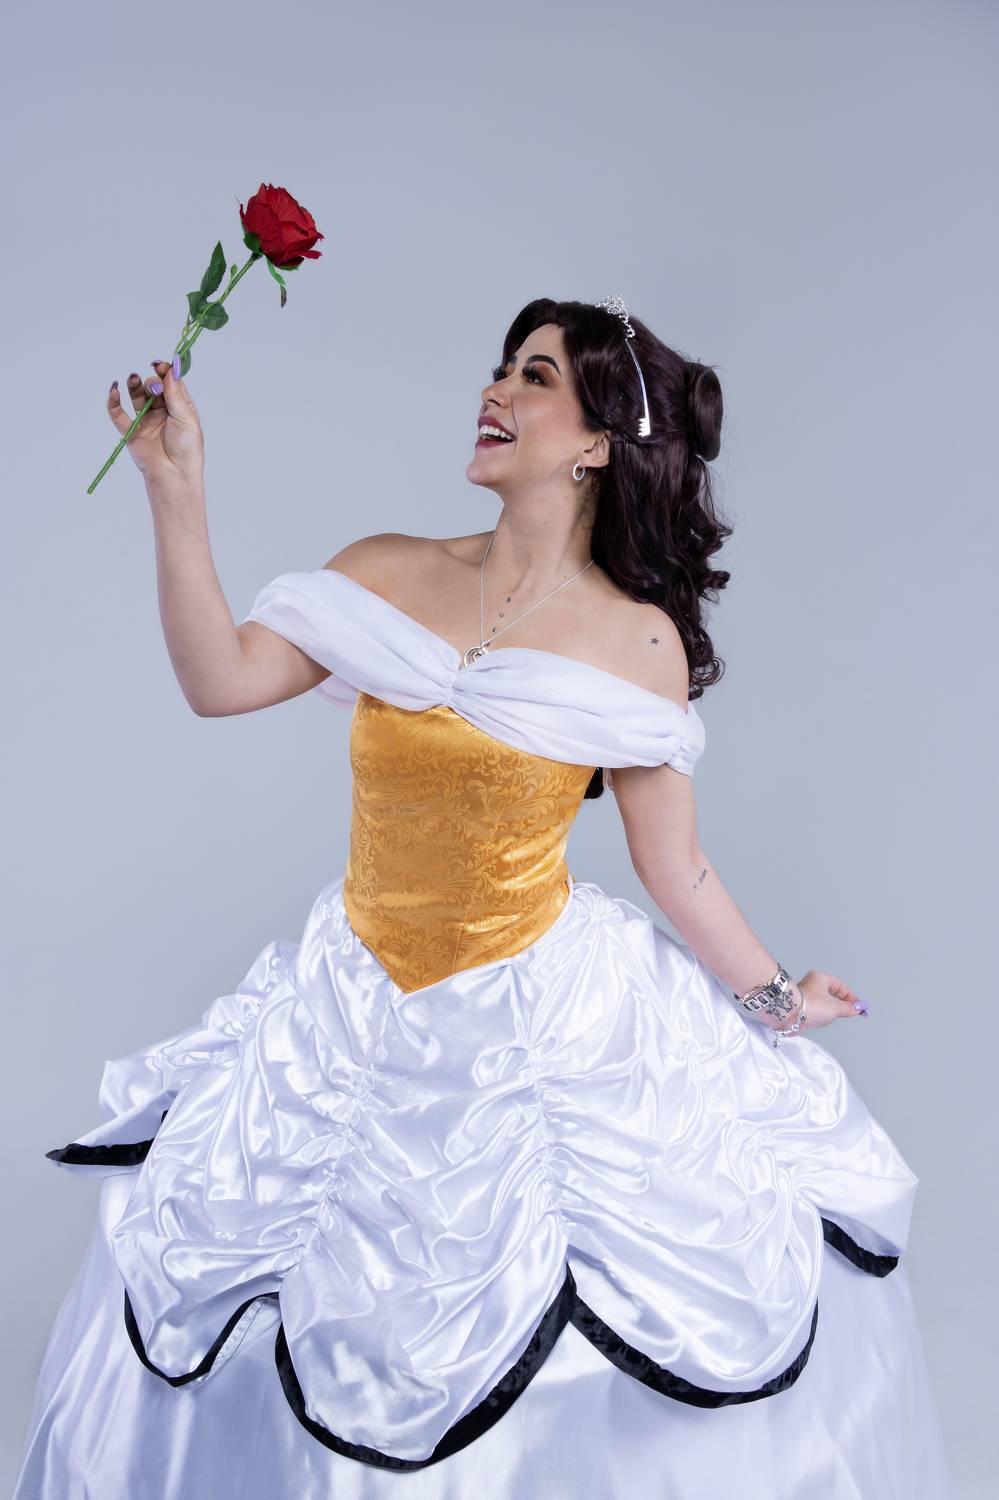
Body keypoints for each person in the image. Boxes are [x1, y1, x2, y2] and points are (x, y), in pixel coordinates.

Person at [13, 298, 954, 1499]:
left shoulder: (638, 643)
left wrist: (779, 1001)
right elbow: (220, 679)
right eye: (502, 367)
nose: (496, 390)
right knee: (289, 1292)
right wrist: (174, 488)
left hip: (535, 1016)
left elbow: (677, 868)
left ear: (597, 443)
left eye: (536, 377)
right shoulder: (385, 568)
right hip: (353, 998)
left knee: (565, 1319)